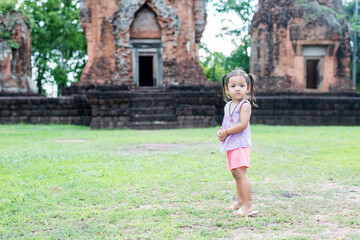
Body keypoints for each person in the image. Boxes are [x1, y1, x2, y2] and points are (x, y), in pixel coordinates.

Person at [217, 69, 258, 217]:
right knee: (235, 173)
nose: (237, 89)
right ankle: (241, 201)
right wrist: (221, 131)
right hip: (231, 144)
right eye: (233, 86)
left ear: (247, 88)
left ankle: (249, 204)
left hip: (240, 144)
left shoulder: (244, 105)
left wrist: (227, 132)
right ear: (227, 90)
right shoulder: (227, 106)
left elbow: (243, 125)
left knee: (241, 173)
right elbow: (226, 124)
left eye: (241, 85)